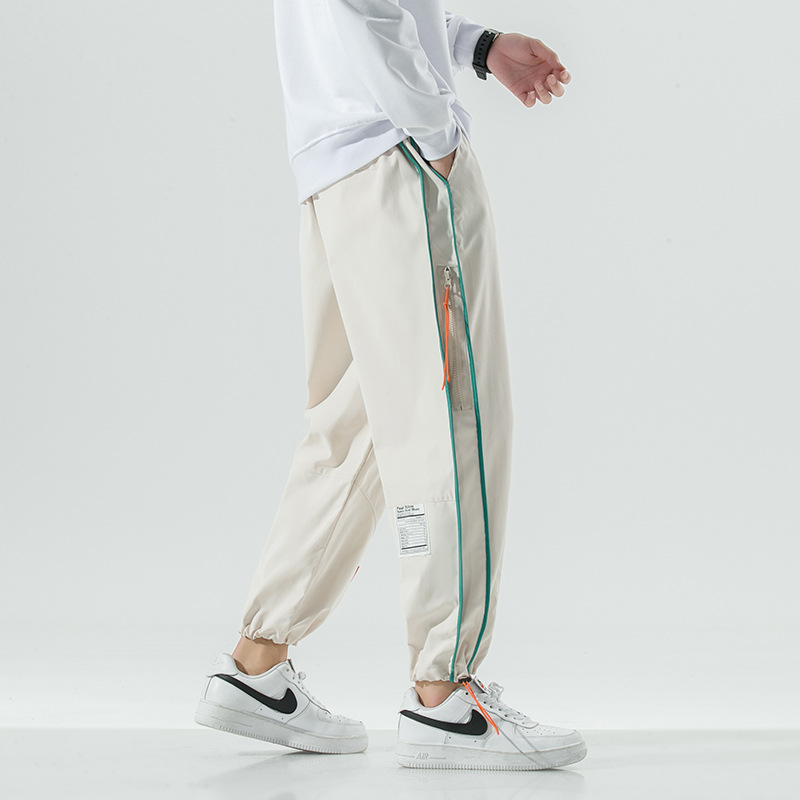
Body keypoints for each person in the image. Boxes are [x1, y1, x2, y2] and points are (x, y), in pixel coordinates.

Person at [195, 0, 586, 771]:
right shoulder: (415, 137)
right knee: (453, 417)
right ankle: (446, 697)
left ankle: (257, 665)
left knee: (359, 428)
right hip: (398, 154)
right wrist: (433, 129)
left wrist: (475, 45)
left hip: (336, 165)